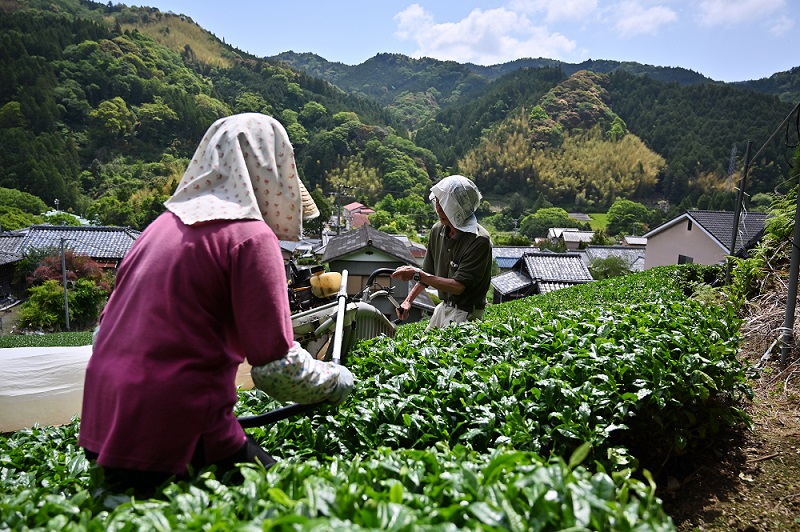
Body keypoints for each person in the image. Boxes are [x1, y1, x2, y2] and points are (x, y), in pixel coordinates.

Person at [78, 113, 354, 492]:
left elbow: (102, 334)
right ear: (270, 170)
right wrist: (332, 381)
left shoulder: (158, 228)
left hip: (102, 420)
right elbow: (276, 367)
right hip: (175, 424)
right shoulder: (250, 238)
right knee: (288, 500)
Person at [391, 175, 492, 329]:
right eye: (437, 203)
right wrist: (408, 301)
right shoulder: (438, 230)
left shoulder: (479, 240)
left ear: (460, 208)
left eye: (445, 205)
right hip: (444, 308)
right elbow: (428, 273)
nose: (438, 210)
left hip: (466, 313)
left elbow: (458, 287)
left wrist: (416, 274)